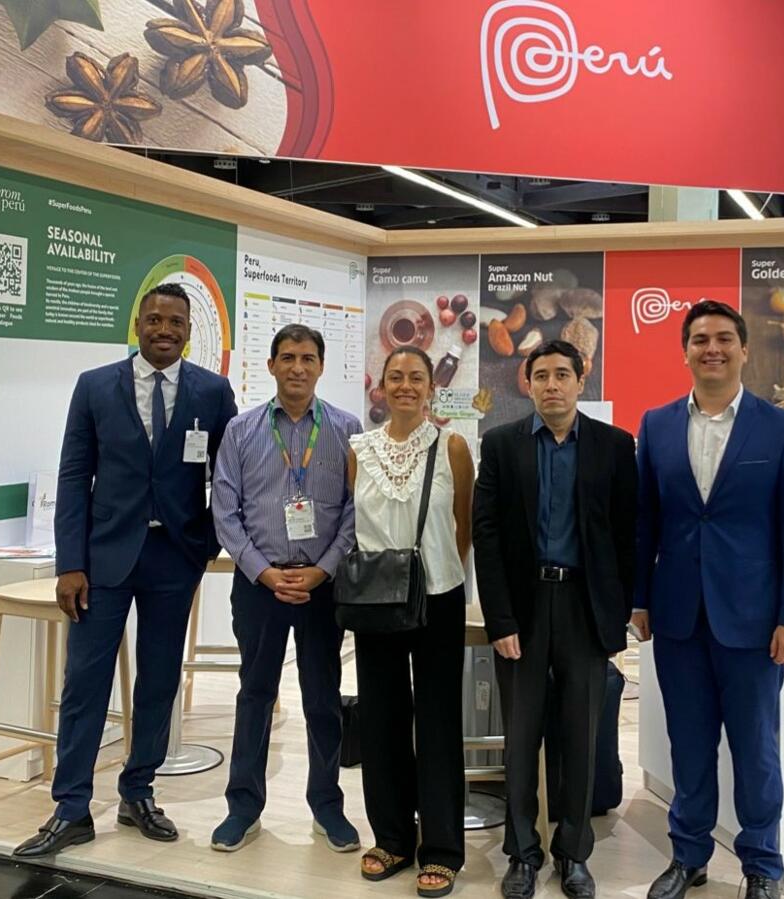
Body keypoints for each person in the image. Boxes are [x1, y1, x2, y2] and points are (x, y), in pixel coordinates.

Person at [14, 282, 237, 858]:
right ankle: (71, 808)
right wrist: (71, 563)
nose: (165, 330)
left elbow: (230, 473)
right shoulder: (95, 386)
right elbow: (73, 476)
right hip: (104, 560)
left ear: (189, 331)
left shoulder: (212, 391)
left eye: (176, 322)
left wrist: (206, 541)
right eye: (155, 319)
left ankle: (138, 792)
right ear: (137, 324)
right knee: (85, 683)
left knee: (159, 681)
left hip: (174, 559)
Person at [635, 300, 784, 899]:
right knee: (688, 746)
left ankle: (763, 865)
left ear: (743, 350)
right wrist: (639, 599)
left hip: (755, 622)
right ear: (684, 352)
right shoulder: (657, 425)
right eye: (699, 339)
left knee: (755, 750)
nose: (711, 348)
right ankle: (688, 856)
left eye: (722, 339)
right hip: (679, 617)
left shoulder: (781, 428)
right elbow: (646, 522)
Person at [473, 339, 637, 899]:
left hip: (584, 608)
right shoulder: (501, 444)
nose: (551, 385)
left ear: (581, 380)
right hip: (523, 608)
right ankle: (522, 854)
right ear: (528, 383)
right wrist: (500, 619)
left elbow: (626, 533)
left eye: (562, 374)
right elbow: (487, 535)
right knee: (521, 736)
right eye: (540, 375)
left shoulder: (614, 446)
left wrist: (617, 614)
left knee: (580, 734)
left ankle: (574, 853)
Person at [209, 323, 362, 853]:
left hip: (323, 587)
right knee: (255, 694)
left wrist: (323, 568)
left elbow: (355, 510)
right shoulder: (241, 430)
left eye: (308, 358)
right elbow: (225, 511)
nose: (298, 367)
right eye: (288, 357)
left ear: (321, 367)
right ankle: (243, 808)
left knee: (322, 697)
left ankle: (327, 806)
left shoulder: (347, 429)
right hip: (260, 585)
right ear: (271, 365)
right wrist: (263, 571)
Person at [350, 346, 474, 899]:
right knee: (382, 717)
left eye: (416, 377)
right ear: (381, 386)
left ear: (431, 387)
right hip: (376, 597)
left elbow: (463, 524)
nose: (405, 385)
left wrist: (436, 573)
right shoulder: (358, 450)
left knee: (439, 719)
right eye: (396, 376)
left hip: (439, 595)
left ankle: (442, 848)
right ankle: (393, 838)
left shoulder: (452, 447)